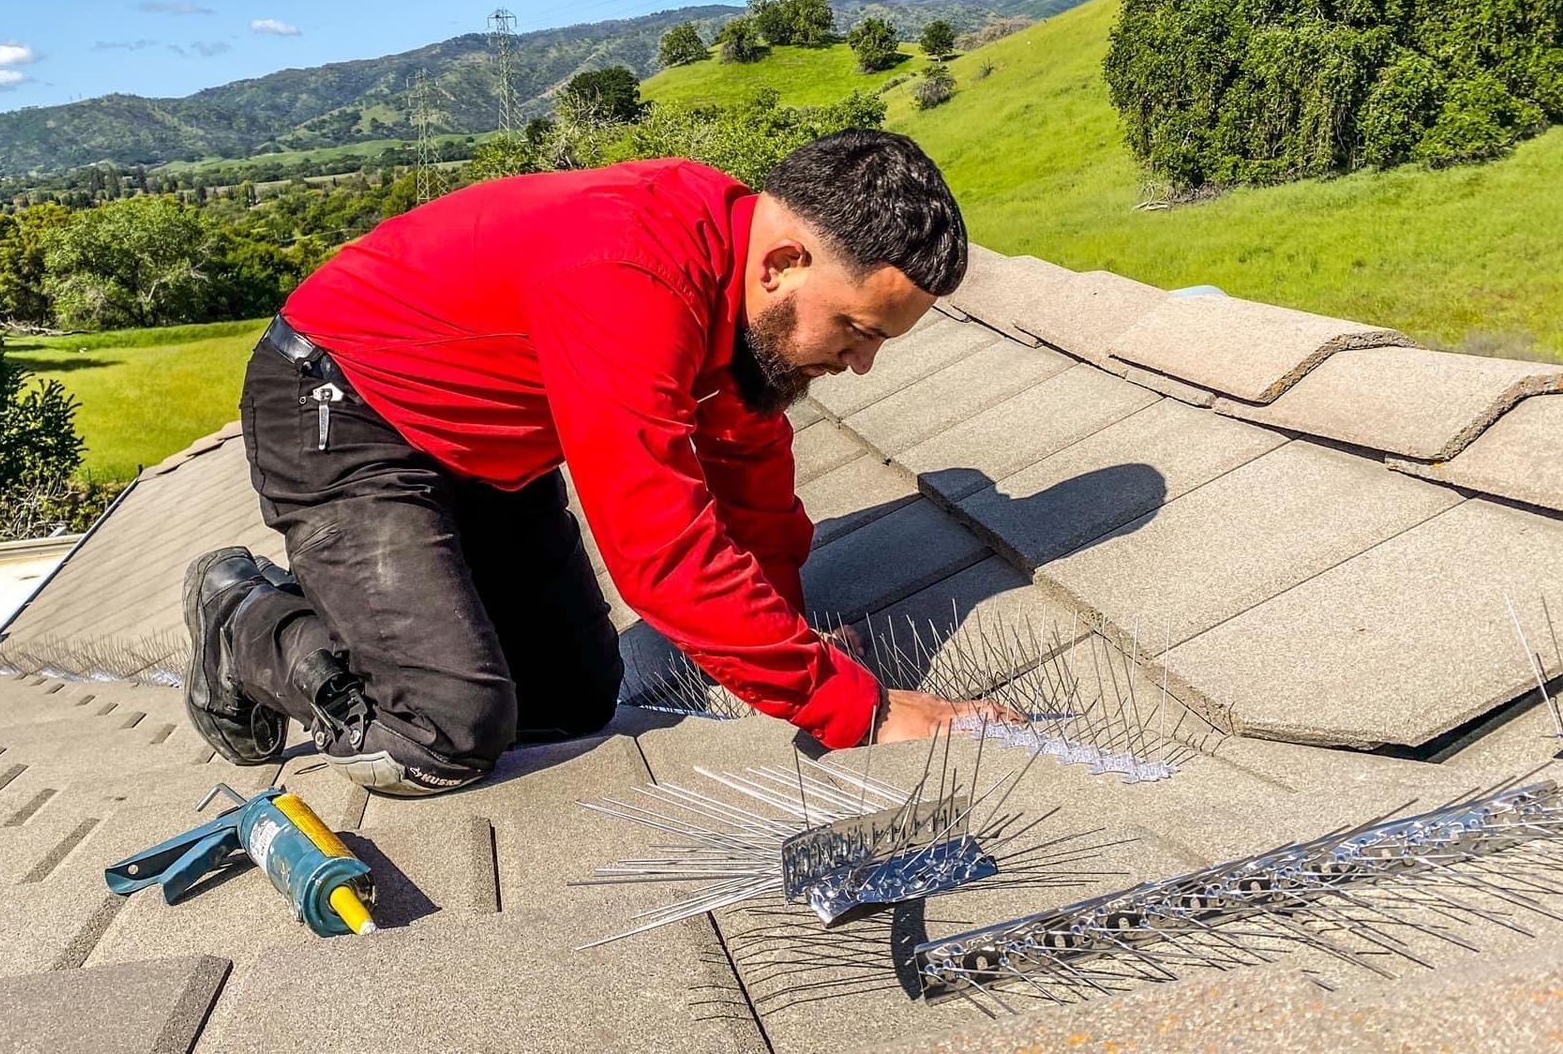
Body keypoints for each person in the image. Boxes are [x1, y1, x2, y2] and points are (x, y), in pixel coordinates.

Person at [182, 130, 1011, 796]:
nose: (860, 362)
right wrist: (849, 709)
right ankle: (243, 620)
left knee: (569, 705)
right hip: (345, 407)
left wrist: (786, 627)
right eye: (858, 329)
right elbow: (660, 553)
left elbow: (745, 453)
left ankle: (402, 604)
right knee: (444, 730)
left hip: (489, 450)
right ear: (784, 262)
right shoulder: (632, 273)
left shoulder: (737, 278)